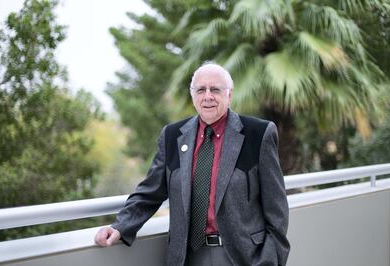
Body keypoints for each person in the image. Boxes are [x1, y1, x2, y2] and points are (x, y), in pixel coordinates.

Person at [94, 62, 290, 265]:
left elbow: (277, 210)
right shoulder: (172, 136)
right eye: (201, 90)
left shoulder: (258, 134)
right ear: (193, 96)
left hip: (244, 257)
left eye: (215, 89)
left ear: (229, 95)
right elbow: (150, 192)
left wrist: (270, 260)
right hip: (187, 257)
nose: (207, 96)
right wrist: (120, 226)